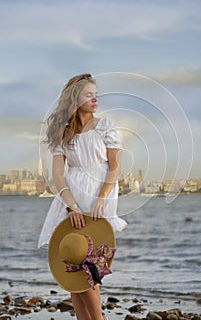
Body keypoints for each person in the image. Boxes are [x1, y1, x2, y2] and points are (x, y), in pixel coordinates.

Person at [38, 73, 127, 320]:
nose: (95, 99)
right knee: (72, 271)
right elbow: (58, 174)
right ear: (74, 98)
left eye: (96, 94)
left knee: (90, 269)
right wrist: (71, 206)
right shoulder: (64, 132)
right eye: (89, 94)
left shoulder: (106, 125)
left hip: (98, 198)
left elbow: (115, 167)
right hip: (71, 200)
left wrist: (101, 198)